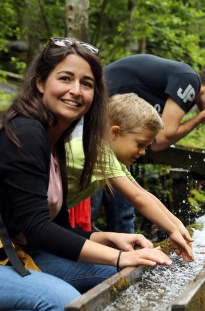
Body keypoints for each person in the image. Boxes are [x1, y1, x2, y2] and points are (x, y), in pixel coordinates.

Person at [0, 38, 171, 311]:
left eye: (87, 83)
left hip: (4, 255)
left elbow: (49, 226)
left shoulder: (54, 140)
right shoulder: (25, 132)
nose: (75, 91)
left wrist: (108, 238)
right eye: (65, 78)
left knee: (111, 275)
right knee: (62, 306)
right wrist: (121, 255)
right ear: (41, 83)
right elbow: (37, 229)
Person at [93, 55, 205, 233]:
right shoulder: (189, 80)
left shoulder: (185, 93)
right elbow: (162, 139)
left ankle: (125, 250)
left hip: (108, 128)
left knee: (124, 205)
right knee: (93, 198)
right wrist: (200, 118)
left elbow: (156, 144)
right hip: (94, 120)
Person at [66, 93, 195, 261]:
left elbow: (142, 193)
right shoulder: (97, 151)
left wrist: (178, 225)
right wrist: (171, 231)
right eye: (140, 144)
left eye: (146, 147)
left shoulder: (109, 156)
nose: (142, 153)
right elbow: (137, 198)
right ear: (115, 133)